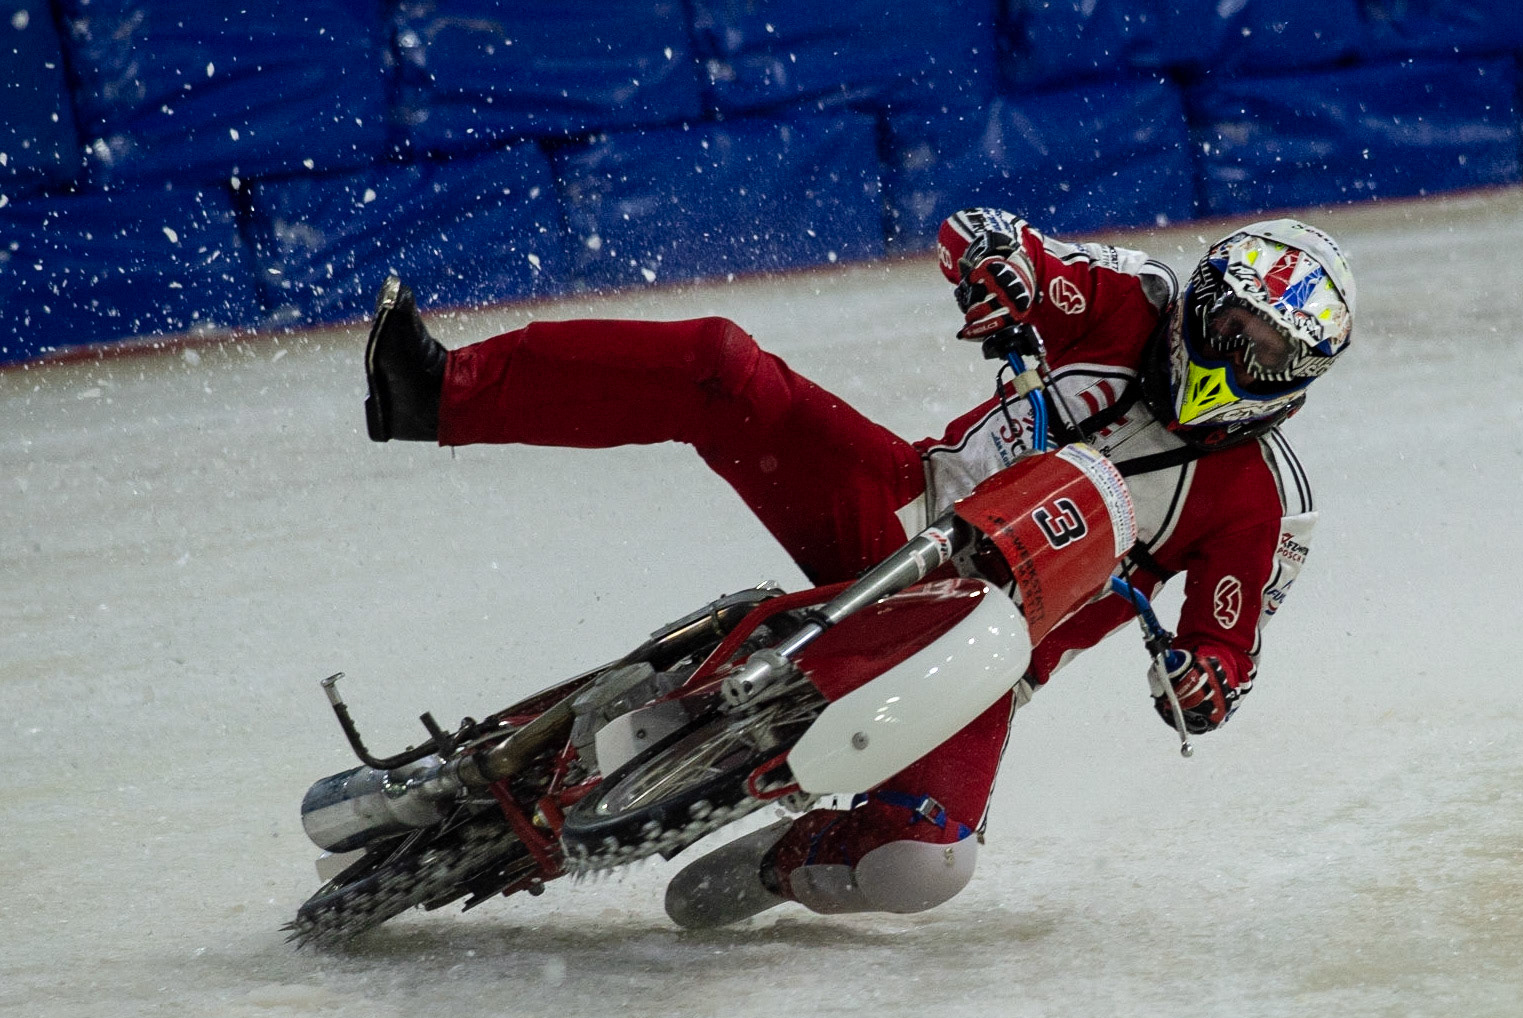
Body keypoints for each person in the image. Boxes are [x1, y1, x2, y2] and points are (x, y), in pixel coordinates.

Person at [361, 207, 1354, 928]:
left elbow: (1224, 661)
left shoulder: (1261, 504)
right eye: (1229, 325)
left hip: (982, 659)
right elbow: (986, 235)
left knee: (926, 867)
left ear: (1298, 383)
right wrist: (994, 268)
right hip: (897, 510)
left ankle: (787, 862)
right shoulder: (1132, 296)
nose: (1233, 355)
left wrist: (1194, 683)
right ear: (1200, 302)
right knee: (718, 366)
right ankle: (439, 394)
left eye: (1266, 354)